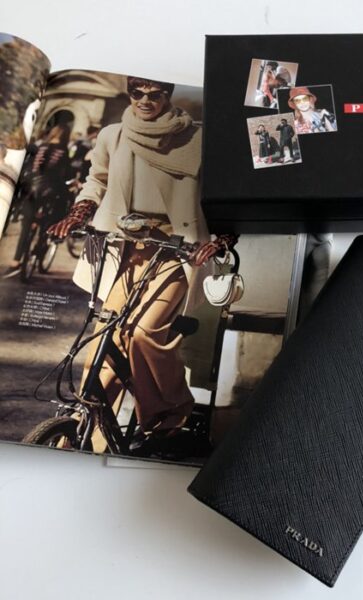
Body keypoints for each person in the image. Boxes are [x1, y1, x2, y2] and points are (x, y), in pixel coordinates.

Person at [47, 76, 237, 451]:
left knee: (143, 333)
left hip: (176, 251)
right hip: (124, 249)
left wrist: (221, 240)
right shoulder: (113, 135)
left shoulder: (196, 138)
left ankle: (170, 414)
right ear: (130, 94)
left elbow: (224, 195)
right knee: (106, 335)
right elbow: (96, 180)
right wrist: (78, 213)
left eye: (155, 94)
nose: (145, 100)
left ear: (168, 96)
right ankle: (89, 428)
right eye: (137, 93)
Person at [4, 123, 70, 277]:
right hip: (49, 194)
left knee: (26, 228)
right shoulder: (63, 151)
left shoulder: (41, 146)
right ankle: (41, 251)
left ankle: (15, 261)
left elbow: (31, 168)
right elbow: (64, 174)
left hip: (31, 192)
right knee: (50, 223)